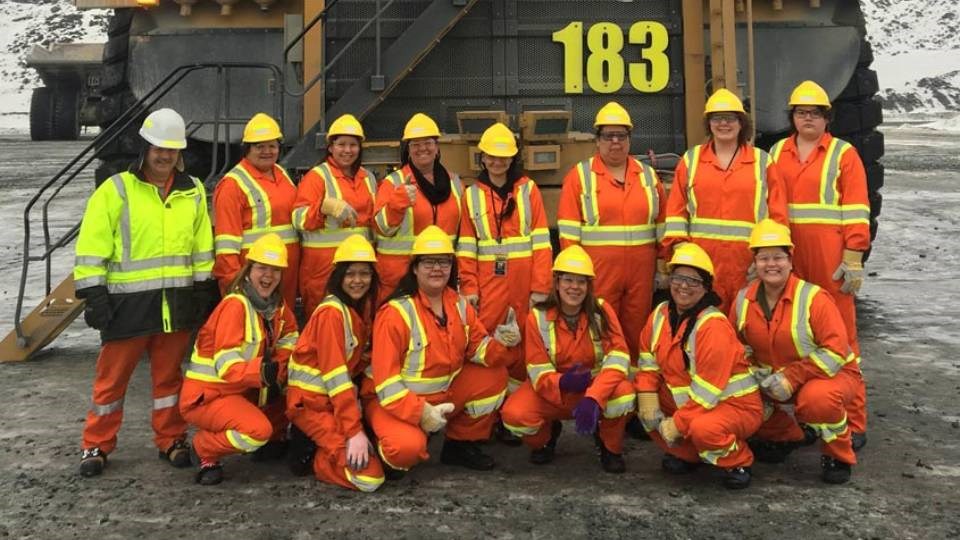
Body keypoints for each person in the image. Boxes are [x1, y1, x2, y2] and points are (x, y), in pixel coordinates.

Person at [74, 108, 217, 477]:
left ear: (180, 152)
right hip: (127, 306)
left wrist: (203, 288)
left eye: (172, 149)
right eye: (158, 147)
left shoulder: (194, 191)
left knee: (169, 381)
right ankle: (97, 444)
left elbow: (202, 247)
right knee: (112, 380)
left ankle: (171, 439)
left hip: (176, 304)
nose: (164, 155)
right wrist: (94, 294)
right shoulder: (116, 189)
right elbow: (92, 246)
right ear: (146, 147)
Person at [362, 226, 518, 474]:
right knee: (405, 451)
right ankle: (381, 438)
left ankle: (459, 445)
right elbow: (386, 384)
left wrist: (503, 341)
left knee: (495, 377)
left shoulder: (457, 304)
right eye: (429, 262)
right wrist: (420, 413)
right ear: (414, 267)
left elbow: (479, 350)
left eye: (444, 262)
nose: (437, 268)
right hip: (393, 402)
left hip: (442, 393)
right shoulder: (396, 312)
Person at [768, 80, 871, 450]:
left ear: (827, 118)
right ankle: (809, 417)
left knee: (842, 340)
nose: (807, 118)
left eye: (814, 113)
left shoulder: (844, 154)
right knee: (792, 338)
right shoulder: (778, 152)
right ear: (792, 117)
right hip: (790, 257)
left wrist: (854, 255)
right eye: (800, 112)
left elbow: (857, 207)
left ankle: (854, 422)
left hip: (830, 260)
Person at [731, 219, 860, 484]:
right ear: (754, 263)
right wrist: (752, 376)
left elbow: (835, 351)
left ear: (790, 261)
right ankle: (790, 436)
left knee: (817, 401)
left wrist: (792, 377)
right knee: (738, 397)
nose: (771, 265)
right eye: (764, 258)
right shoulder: (744, 299)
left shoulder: (814, 298)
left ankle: (837, 455)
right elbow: (733, 345)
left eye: (778, 257)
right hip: (772, 380)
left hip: (826, 377)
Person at [634, 242, 763, 489]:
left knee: (704, 429)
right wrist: (647, 397)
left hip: (734, 406)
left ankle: (738, 460)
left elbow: (707, 392)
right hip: (692, 403)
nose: (684, 286)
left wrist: (677, 424)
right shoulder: (661, 313)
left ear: (705, 288)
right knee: (635, 399)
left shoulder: (712, 325)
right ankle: (690, 454)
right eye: (679, 277)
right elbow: (648, 360)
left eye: (694, 281)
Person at [500, 245, 635, 473]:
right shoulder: (537, 317)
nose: (575, 287)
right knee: (514, 415)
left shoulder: (602, 311)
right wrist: (562, 383)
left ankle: (609, 446)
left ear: (589, 285)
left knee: (624, 396)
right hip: (554, 392)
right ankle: (546, 438)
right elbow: (536, 369)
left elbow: (619, 358)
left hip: (594, 388)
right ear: (557, 282)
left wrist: (594, 397)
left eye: (581, 281)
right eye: (568, 280)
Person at [180, 233, 299, 485]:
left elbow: (291, 336)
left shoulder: (275, 306)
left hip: (242, 391)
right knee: (258, 431)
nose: (268, 276)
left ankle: (271, 441)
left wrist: (280, 365)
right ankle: (204, 448)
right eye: (262, 268)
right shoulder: (236, 305)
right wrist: (265, 372)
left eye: (275, 271)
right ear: (248, 270)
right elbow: (227, 365)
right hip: (209, 395)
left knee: (294, 392)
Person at [556, 101, 666, 363]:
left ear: (629, 139)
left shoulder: (648, 177)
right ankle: (602, 385)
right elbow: (569, 236)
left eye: (621, 135)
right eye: (608, 136)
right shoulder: (580, 177)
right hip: (599, 276)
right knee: (599, 331)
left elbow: (663, 228)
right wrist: (575, 279)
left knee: (637, 332)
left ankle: (637, 387)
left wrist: (665, 269)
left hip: (640, 276)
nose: (615, 142)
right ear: (598, 140)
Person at [457, 122, 552, 421]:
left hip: (525, 286)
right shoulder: (471, 195)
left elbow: (542, 242)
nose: (498, 163)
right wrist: (469, 289)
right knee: (489, 345)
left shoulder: (528, 190)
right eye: (492, 157)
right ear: (482, 158)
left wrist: (541, 287)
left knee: (525, 345)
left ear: (513, 159)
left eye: (504, 158)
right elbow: (466, 248)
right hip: (489, 286)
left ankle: (516, 411)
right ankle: (492, 412)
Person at [662, 88, 788, 314]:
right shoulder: (691, 160)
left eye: (730, 118)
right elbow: (675, 214)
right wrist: (682, 255)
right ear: (709, 123)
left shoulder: (762, 162)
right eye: (717, 118)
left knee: (748, 323)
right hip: (703, 264)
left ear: (741, 123)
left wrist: (768, 259)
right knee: (706, 324)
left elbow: (778, 218)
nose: (724, 124)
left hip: (748, 264)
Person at [286, 234, 385, 492]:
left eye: (365, 273)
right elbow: (337, 378)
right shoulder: (332, 314)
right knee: (370, 477)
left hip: (330, 404)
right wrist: (354, 433)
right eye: (350, 273)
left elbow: (356, 363)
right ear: (338, 276)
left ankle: (318, 442)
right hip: (311, 406)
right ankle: (315, 459)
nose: (357, 280)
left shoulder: (356, 310)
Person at [213, 112, 300, 311]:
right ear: (247, 149)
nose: (267, 151)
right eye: (259, 146)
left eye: (272, 146)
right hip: (253, 281)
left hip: (283, 278)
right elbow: (226, 247)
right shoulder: (232, 185)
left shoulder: (282, 174)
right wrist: (234, 288)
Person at [373, 113, 463, 303]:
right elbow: (381, 228)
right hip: (400, 278)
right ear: (408, 150)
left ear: (437, 147)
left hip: (440, 275)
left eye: (428, 143)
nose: (423, 148)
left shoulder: (454, 183)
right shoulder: (393, 183)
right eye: (415, 144)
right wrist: (398, 202)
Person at [292, 114, 377, 316]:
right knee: (324, 324)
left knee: (357, 325)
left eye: (353, 145)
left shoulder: (368, 178)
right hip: (324, 270)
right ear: (330, 147)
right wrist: (323, 207)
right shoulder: (316, 177)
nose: (347, 150)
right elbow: (297, 219)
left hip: (358, 267)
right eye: (341, 145)